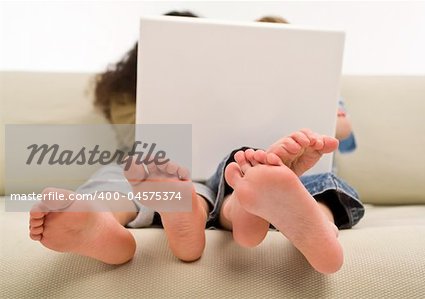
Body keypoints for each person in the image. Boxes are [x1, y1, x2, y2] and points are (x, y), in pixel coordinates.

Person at [28, 12, 364, 274]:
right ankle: (101, 223)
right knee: (157, 177)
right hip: (213, 171)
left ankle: (302, 223)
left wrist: (326, 117)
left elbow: (343, 135)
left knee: (305, 185)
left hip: (273, 172)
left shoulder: (325, 92)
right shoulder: (217, 91)